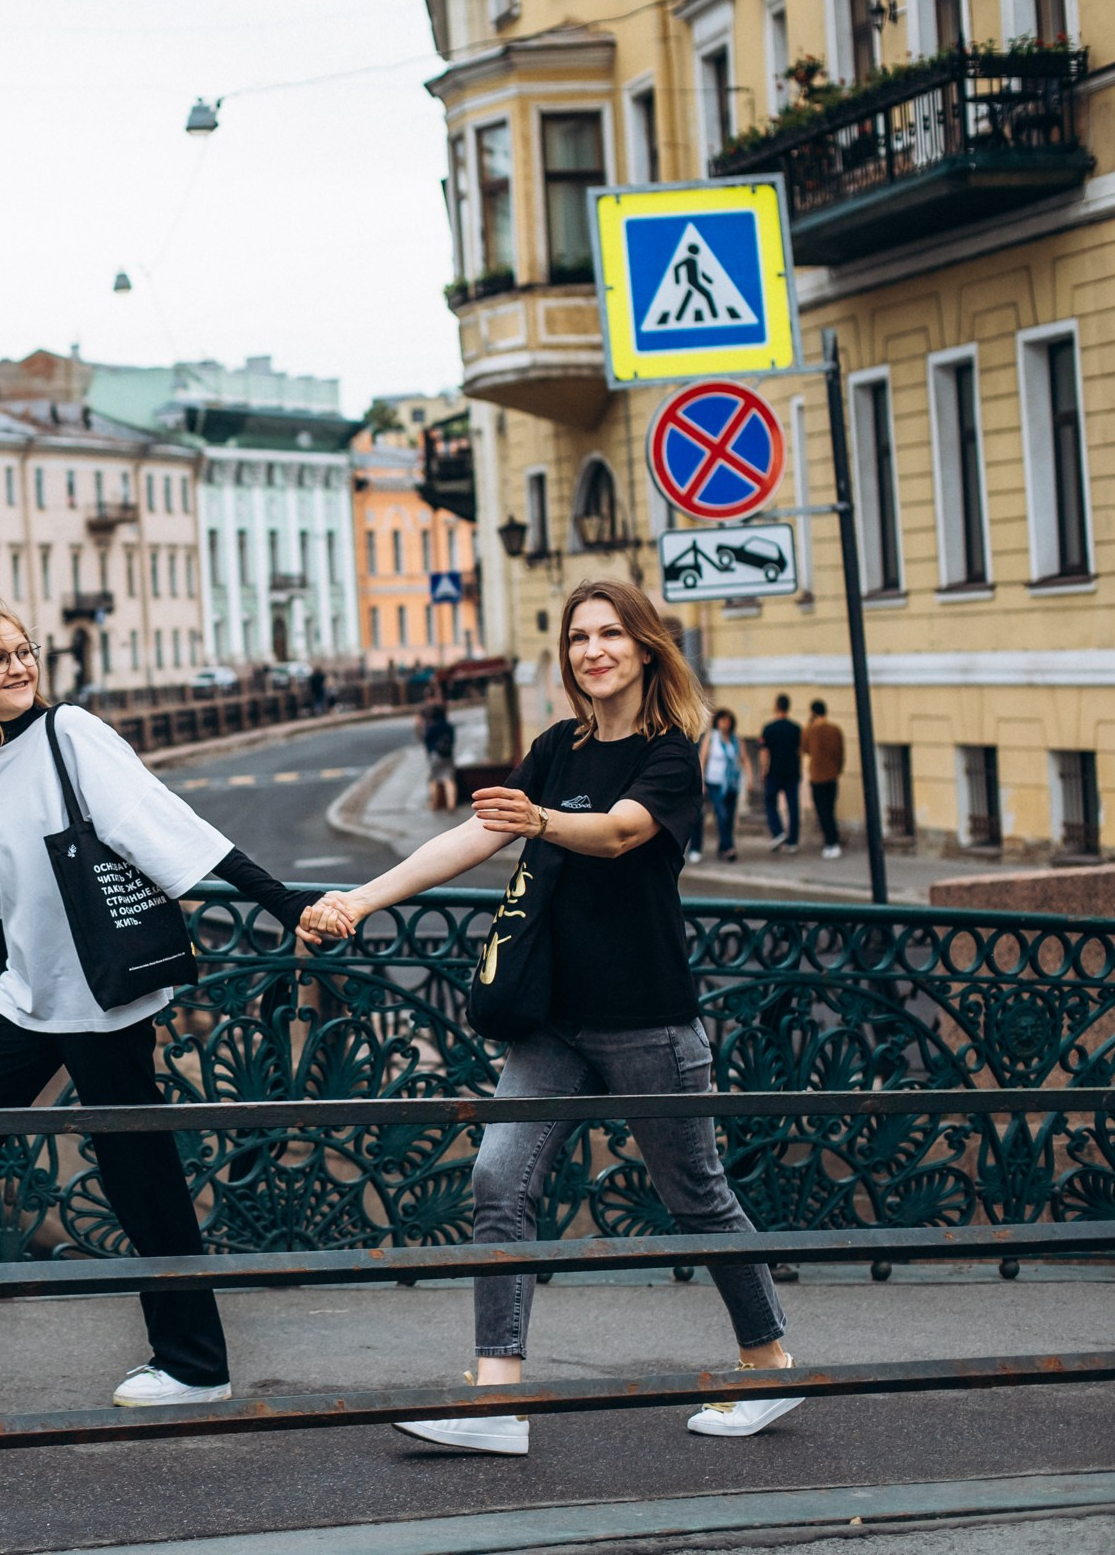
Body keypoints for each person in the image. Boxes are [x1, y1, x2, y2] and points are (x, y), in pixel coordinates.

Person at [302, 577, 796, 1454]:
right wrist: (361, 899)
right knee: (499, 1179)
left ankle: (769, 1366)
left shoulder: (671, 753)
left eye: (610, 635)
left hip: (646, 1017)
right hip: (552, 1019)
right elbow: (472, 837)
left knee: (698, 1198)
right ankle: (499, 1404)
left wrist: (543, 820)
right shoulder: (556, 747)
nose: (593, 651)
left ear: (646, 648)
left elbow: (617, 833)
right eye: (578, 638)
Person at [0, 596, 321, 1412]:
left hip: (106, 992)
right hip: (29, 995)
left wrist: (286, 904)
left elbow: (171, 828)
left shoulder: (71, 734)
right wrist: (10, 986)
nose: (20, 667)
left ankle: (195, 1363)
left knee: (140, 1174)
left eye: (25, 651)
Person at [691, 708, 743, 864]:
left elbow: (743, 758)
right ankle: (728, 848)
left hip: (731, 784)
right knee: (721, 814)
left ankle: (723, 848)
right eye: (722, 720)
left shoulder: (735, 739)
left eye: (727, 721)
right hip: (714, 783)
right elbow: (703, 759)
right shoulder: (711, 738)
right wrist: (700, 782)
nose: (724, 724)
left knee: (729, 818)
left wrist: (749, 778)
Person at [759, 694, 803, 853]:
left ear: (776, 706)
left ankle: (778, 832)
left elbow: (764, 752)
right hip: (792, 772)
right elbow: (799, 751)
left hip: (775, 772)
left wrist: (764, 771)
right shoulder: (796, 728)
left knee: (770, 801)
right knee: (793, 806)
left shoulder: (769, 728)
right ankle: (793, 842)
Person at [803, 700, 845, 860]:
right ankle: (833, 841)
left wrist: (809, 723)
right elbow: (840, 753)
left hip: (817, 777)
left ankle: (831, 843)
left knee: (822, 811)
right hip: (832, 776)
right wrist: (837, 770)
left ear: (813, 713)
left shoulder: (810, 731)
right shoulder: (835, 730)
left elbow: (804, 748)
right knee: (830, 809)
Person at [419, 700, 460, 813]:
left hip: (435, 756)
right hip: (447, 755)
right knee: (449, 780)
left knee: (434, 780)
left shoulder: (431, 727)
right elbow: (452, 740)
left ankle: (434, 804)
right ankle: (451, 803)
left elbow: (426, 741)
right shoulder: (449, 726)